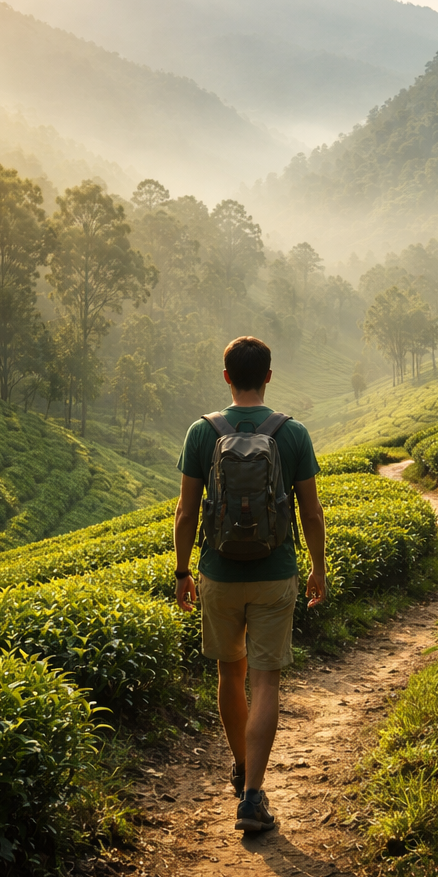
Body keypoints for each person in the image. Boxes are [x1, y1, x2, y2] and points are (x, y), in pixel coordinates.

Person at [174, 336, 326, 834]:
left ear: (225, 377)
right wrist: (319, 568)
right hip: (275, 572)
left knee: (228, 675)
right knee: (266, 681)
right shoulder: (293, 433)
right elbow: (310, 511)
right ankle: (254, 796)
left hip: (218, 575)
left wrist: (182, 572)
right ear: (268, 376)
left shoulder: (202, 433)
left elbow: (186, 512)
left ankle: (240, 769)